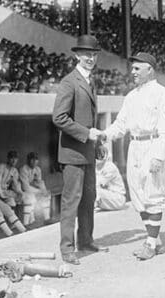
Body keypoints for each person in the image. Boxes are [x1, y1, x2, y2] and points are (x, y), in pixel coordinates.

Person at [102, 52, 165, 260]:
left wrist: (159, 156)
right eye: (132, 68)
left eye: (137, 68)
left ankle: (150, 244)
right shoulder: (131, 96)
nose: (132, 72)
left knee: (153, 194)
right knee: (138, 196)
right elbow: (120, 125)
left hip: (154, 143)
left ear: (149, 69)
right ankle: (157, 240)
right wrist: (104, 135)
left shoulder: (163, 94)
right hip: (134, 145)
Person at [52, 35, 108, 265]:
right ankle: (67, 249)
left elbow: (90, 118)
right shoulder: (69, 82)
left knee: (89, 198)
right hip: (73, 153)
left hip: (87, 151)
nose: (90, 58)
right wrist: (86, 134)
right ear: (76, 55)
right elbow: (59, 117)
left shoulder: (89, 81)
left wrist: (97, 143)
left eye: (94, 54)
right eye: (86, 54)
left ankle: (85, 241)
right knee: (71, 201)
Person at [0, 150, 35, 227]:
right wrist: (1, 193)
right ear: (8, 158)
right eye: (11, 158)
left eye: (15, 158)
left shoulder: (14, 170)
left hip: (6, 191)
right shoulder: (1, 166)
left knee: (26, 197)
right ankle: (13, 223)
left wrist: (20, 193)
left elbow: (16, 185)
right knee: (11, 201)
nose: (13, 160)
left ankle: (28, 222)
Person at [19, 152, 51, 224]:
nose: (34, 161)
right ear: (28, 160)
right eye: (32, 159)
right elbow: (25, 187)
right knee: (30, 198)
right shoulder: (23, 169)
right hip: (22, 191)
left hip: (33, 190)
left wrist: (44, 191)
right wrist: (39, 191)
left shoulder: (37, 169)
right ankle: (26, 223)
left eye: (36, 159)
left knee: (45, 196)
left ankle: (47, 219)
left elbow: (39, 183)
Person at [95, 146, 126, 211]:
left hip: (118, 198)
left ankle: (92, 207)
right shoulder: (96, 167)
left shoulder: (109, 166)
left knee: (94, 189)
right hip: (109, 196)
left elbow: (97, 183)